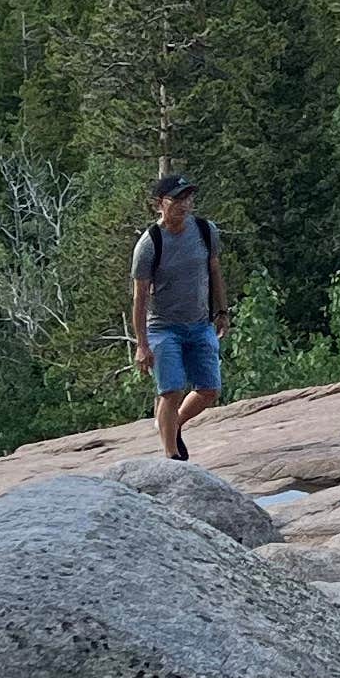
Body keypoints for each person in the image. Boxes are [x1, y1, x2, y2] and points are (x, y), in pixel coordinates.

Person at [129, 173, 227, 462]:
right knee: (170, 390)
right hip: (163, 328)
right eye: (178, 199)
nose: (185, 205)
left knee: (209, 389)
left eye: (189, 198)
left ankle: (173, 425)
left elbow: (214, 271)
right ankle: (172, 456)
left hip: (199, 323)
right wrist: (141, 344)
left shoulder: (205, 231)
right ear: (159, 204)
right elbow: (139, 297)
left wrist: (222, 311)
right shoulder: (149, 244)